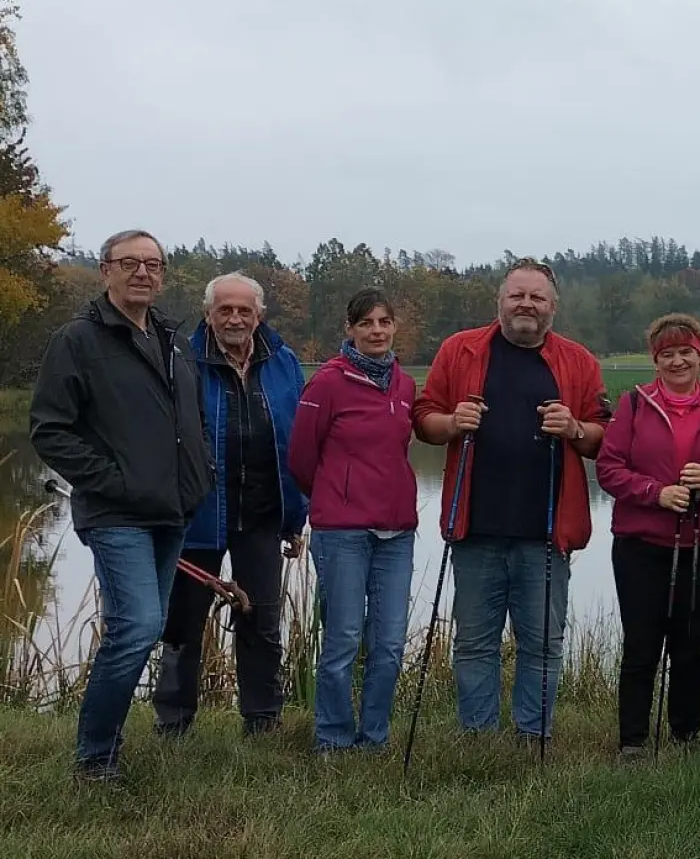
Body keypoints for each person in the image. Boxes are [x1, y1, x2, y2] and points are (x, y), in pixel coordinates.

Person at [29, 229, 212, 781]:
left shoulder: (173, 341)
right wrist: (112, 480)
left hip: (172, 510)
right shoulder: (78, 341)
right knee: (137, 627)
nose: (142, 273)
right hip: (116, 512)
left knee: (142, 629)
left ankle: (102, 746)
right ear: (105, 270)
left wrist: (199, 474)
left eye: (153, 264)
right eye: (129, 262)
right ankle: (93, 757)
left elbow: (193, 420)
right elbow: (50, 430)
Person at [413, 261, 610, 746]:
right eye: (517, 295)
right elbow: (423, 420)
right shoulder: (460, 350)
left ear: (552, 306)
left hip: (547, 530)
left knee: (542, 643)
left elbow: (604, 438)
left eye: (537, 298)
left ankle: (532, 736)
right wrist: (453, 422)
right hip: (475, 527)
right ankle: (478, 740)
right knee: (474, 642)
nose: (526, 304)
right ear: (500, 300)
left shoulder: (579, 361)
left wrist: (576, 429)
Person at [152, 272, 308, 738]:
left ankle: (262, 721)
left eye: (244, 310)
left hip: (262, 515)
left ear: (259, 315)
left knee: (261, 620)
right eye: (225, 310)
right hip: (195, 516)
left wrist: (295, 515)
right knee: (182, 624)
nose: (235, 318)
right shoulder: (181, 360)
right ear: (208, 314)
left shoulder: (283, 362)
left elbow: (296, 441)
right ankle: (173, 724)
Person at [596, 314, 700, 760]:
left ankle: (684, 738)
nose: (678, 361)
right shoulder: (635, 405)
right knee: (641, 644)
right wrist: (655, 493)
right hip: (640, 544)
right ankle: (634, 742)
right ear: (655, 360)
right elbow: (608, 469)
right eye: (668, 354)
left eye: (687, 352)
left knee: (691, 643)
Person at [287, 288, 418, 753]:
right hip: (341, 532)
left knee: (389, 644)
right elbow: (302, 458)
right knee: (342, 639)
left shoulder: (404, 384)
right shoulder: (327, 383)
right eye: (367, 324)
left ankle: (374, 738)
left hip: (397, 530)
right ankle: (333, 738)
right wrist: (334, 497)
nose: (377, 331)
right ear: (351, 329)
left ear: (394, 326)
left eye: (384, 322)